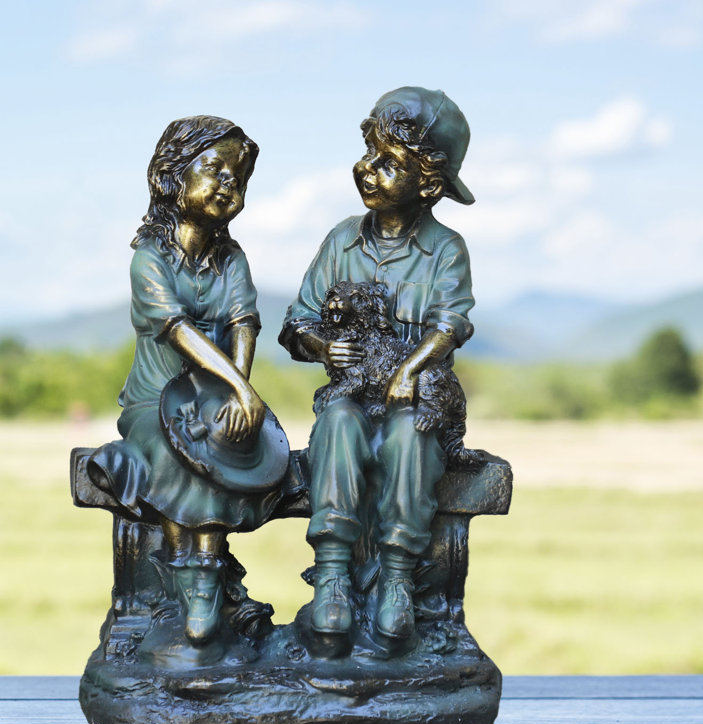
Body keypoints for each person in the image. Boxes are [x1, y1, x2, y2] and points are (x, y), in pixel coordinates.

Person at [280, 87, 476, 641]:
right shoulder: (341, 241)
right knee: (338, 426)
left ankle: (396, 578)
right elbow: (297, 322)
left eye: (389, 163)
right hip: (350, 399)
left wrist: (409, 371)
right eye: (368, 153)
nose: (367, 169)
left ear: (429, 183)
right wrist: (322, 347)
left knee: (408, 440)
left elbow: (451, 324)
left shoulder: (444, 249)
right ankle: (333, 575)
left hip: (413, 402)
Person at [88, 116, 276, 645]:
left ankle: (213, 578)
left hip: (217, 397)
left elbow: (243, 322)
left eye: (238, 178)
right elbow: (177, 330)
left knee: (237, 444)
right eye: (214, 169)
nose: (227, 185)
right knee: (180, 451)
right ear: (172, 176)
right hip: (154, 403)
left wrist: (236, 391)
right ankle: (193, 582)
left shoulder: (231, 259)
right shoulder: (149, 258)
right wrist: (240, 389)